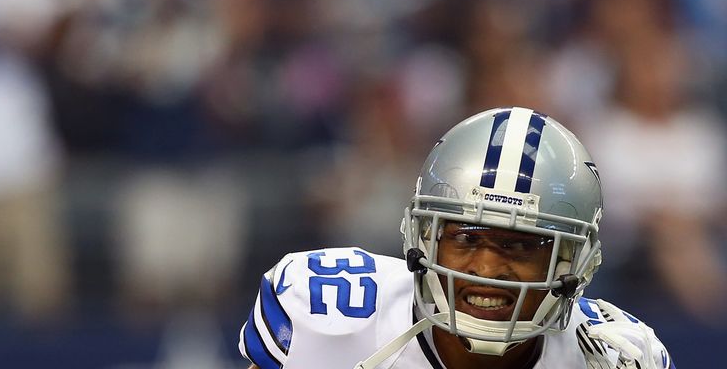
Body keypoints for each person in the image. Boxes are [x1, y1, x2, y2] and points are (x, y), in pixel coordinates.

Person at [238, 107, 673, 369]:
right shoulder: (326, 312)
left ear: (574, 266)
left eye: (520, 245)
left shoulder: (618, 357)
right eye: (466, 237)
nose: (486, 268)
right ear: (423, 237)